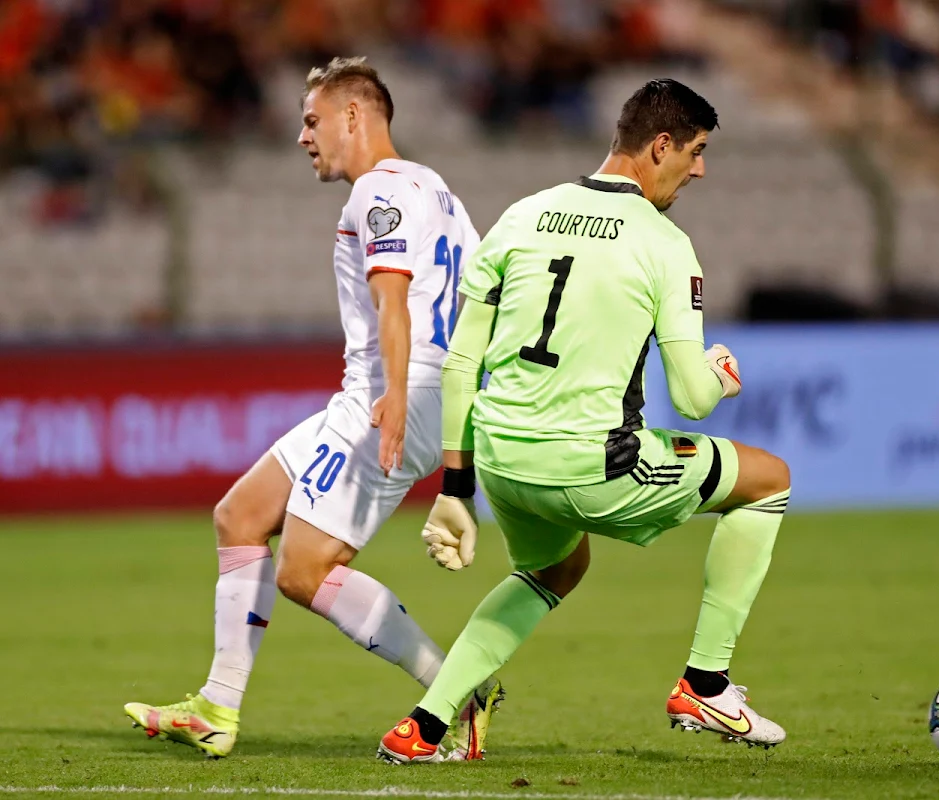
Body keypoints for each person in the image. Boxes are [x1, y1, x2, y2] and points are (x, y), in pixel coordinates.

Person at [376, 78, 790, 764]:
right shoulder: (664, 243)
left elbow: (459, 364)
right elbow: (689, 398)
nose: (702, 169)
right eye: (697, 150)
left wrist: (455, 487)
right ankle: (705, 682)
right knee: (769, 480)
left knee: (556, 570)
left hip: (504, 462)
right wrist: (721, 373)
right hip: (591, 464)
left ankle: (423, 725)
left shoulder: (524, 213)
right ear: (662, 146)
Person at [123, 57, 502, 760]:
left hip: (390, 396)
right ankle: (216, 706)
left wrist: (394, 396)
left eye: (312, 119)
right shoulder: (437, 189)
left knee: (304, 570)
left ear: (353, 116)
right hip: (398, 394)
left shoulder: (377, 195)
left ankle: (455, 695)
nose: (303, 136)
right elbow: (482, 299)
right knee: (240, 515)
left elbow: (393, 300)